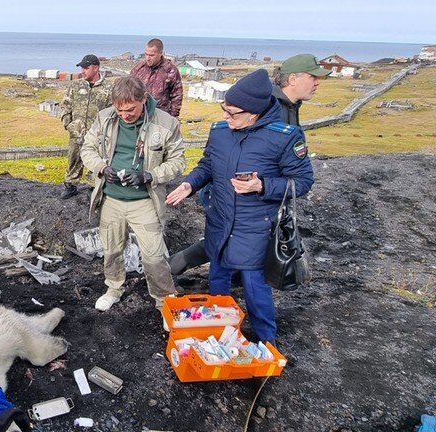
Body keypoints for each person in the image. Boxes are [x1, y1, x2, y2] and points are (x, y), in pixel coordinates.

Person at [165, 69, 314, 343]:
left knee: (255, 288)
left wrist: (263, 186)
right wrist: (190, 185)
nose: (225, 117)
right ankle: (219, 334)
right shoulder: (220, 132)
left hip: (255, 229)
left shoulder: (285, 137)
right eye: (224, 109)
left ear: (254, 113)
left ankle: (266, 341)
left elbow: (302, 182)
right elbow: (207, 165)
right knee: (218, 283)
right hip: (219, 222)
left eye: (232, 113)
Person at [80, 76, 186, 312]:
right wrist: (102, 167)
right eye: (120, 110)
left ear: (144, 99)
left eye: (131, 110)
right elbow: (87, 148)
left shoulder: (166, 124)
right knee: (112, 248)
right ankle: (114, 288)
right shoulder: (105, 118)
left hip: (144, 201)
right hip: (112, 199)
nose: (125, 115)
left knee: (154, 254)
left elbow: (179, 161)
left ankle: (164, 300)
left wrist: (149, 176)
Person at [59, 54, 113, 199]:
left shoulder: (109, 89)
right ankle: (70, 185)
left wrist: (105, 132)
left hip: (97, 136)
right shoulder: (75, 85)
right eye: (81, 68)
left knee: (96, 161)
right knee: (73, 159)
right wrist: (68, 125)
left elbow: (112, 112)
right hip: (76, 133)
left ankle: (93, 187)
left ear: (95, 68)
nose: (82, 71)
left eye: (86, 68)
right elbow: (65, 106)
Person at [272, 54, 331, 126]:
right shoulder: (271, 111)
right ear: (292, 79)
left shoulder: (291, 105)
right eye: (313, 77)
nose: (317, 83)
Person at [130, 38, 183, 117]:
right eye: (146, 54)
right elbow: (128, 90)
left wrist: (173, 117)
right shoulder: (138, 69)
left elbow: (177, 96)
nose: (148, 58)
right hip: (140, 115)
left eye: (151, 55)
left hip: (160, 116)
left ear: (160, 53)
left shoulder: (170, 70)